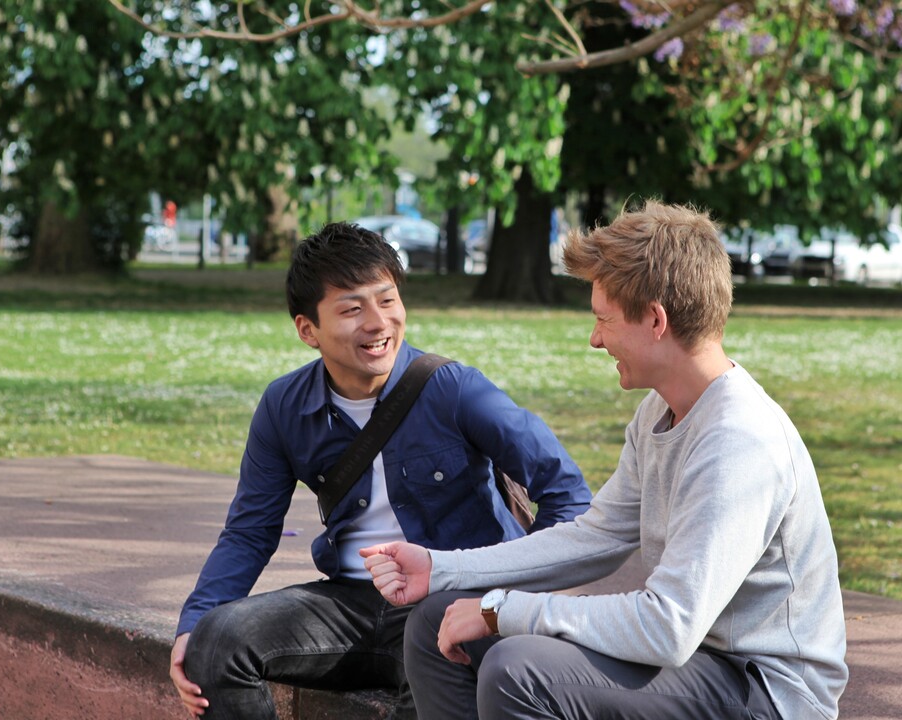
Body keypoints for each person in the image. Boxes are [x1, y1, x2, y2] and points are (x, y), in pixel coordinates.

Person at [363, 201, 848, 720]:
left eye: (603, 319)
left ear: (656, 319)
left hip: (765, 690)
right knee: (434, 619)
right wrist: (442, 569)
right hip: (695, 662)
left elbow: (668, 627)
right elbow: (594, 536)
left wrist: (506, 610)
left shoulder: (739, 441)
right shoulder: (658, 411)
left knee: (517, 669)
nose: (595, 338)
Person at [170, 222, 592, 719]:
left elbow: (568, 494)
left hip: (447, 604)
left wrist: (503, 601)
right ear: (308, 330)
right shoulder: (284, 405)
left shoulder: (454, 389)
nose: (378, 323)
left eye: (387, 300)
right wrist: (193, 624)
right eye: (352, 308)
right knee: (215, 641)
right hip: (347, 606)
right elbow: (248, 532)